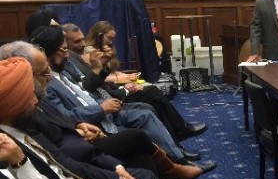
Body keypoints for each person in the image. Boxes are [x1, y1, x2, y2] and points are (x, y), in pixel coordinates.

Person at [0, 40, 204, 179]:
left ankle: (173, 169)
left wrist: (79, 127)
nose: (68, 53)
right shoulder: (27, 102)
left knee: (144, 130)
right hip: (80, 151)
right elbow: (54, 152)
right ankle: (175, 167)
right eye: (64, 48)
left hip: (93, 121)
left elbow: (83, 97)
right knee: (138, 134)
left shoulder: (58, 74)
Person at [0, 57, 165, 179]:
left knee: (143, 173)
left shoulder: (23, 127)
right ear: (14, 104)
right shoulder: (6, 148)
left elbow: (63, 165)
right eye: (29, 96)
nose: (36, 101)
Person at [63, 23, 207, 145]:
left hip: (109, 92)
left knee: (152, 95)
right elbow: (89, 85)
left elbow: (100, 78)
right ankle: (179, 136)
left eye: (82, 40)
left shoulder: (84, 56)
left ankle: (177, 140)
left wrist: (107, 67)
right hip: (104, 99)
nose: (82, 44)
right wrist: (123, 87)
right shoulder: (81, 57)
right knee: (151, 97)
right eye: (76, 42)